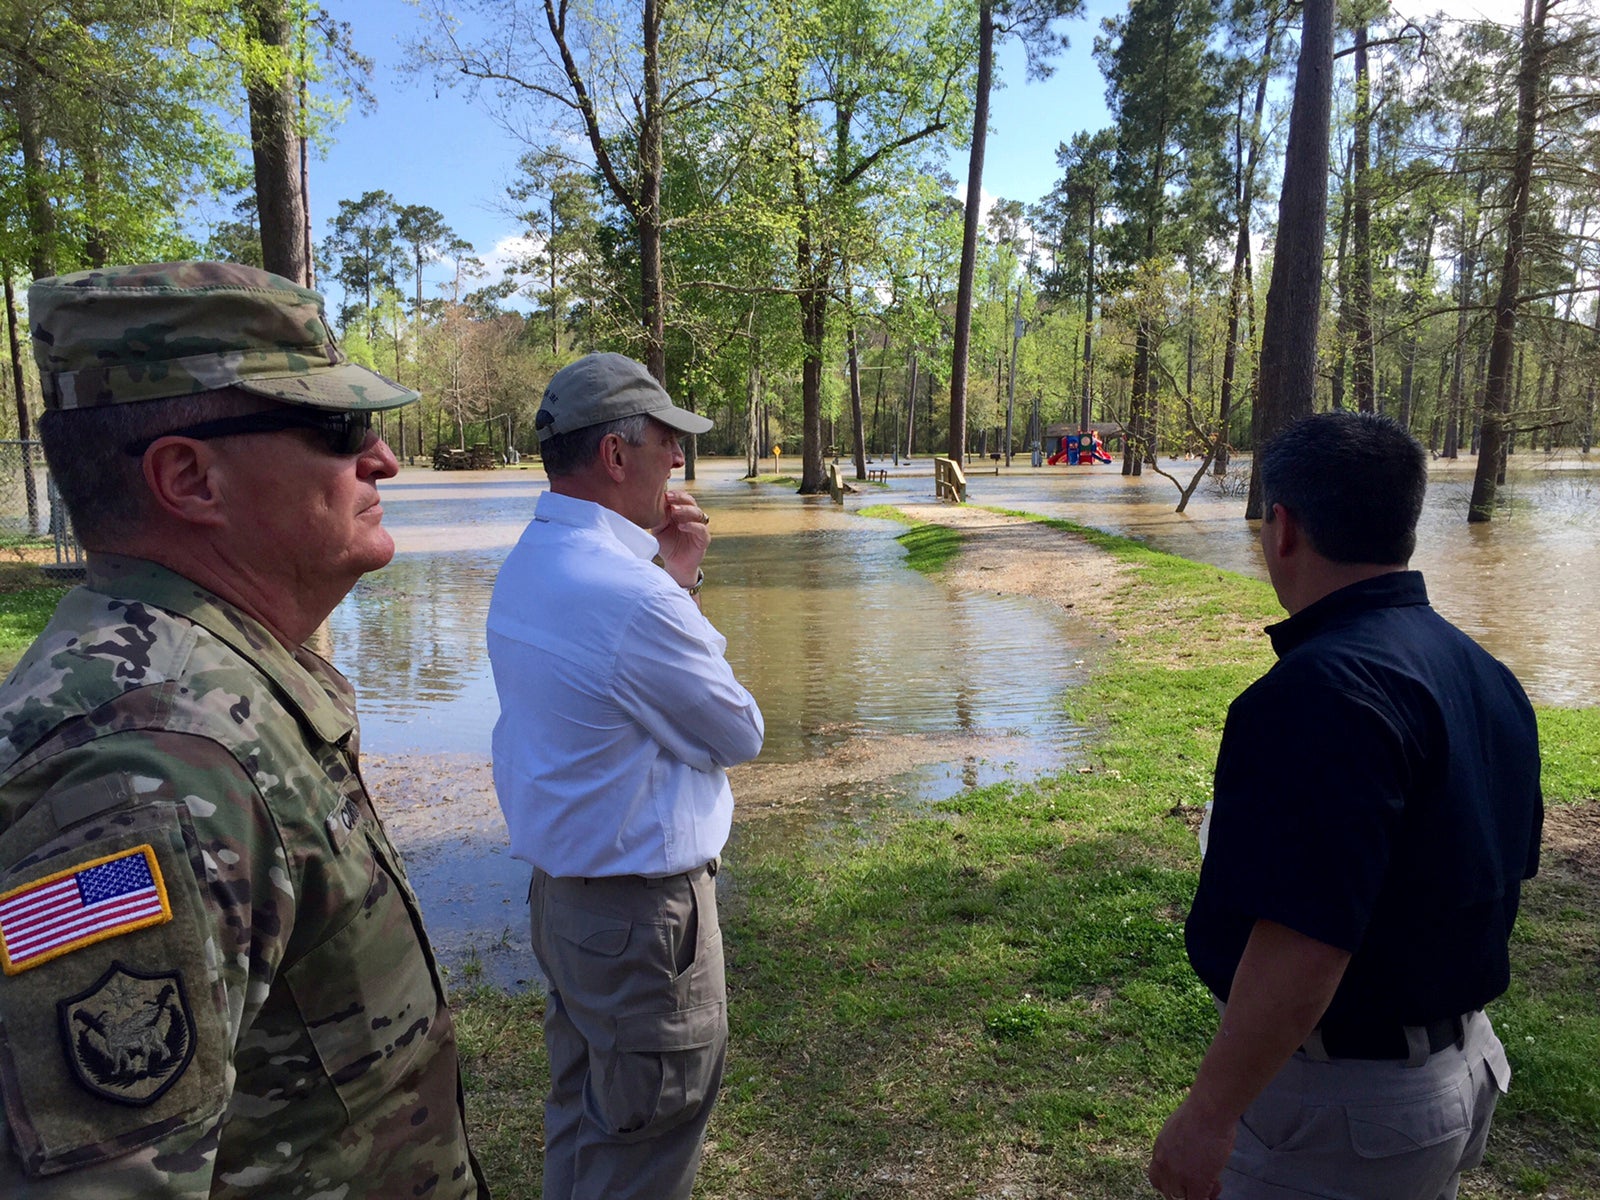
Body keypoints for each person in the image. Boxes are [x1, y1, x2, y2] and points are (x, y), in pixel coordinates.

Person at [0, 262, 488, 1199]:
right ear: (190, 478)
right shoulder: (146, 767)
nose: (381, 458)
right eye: (339, 429)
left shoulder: (214, 684)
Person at [1148, 411, 1542, 1200]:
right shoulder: (1482, 672)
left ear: (1283, 527)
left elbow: (1304, 949)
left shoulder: (1317, 695)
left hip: (1343, 1112)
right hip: (1453, 1068)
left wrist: (1209, 1115)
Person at [486, 352, 764, 1200]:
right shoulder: (626, 595)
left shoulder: (534, 558)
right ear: (615, 456)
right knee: (646, 1147)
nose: (678, 460)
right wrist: (673, 587)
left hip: (568, 906)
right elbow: (736, 730)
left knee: (586, 1119)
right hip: (645, 921)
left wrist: (667, 573)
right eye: (666, 441)